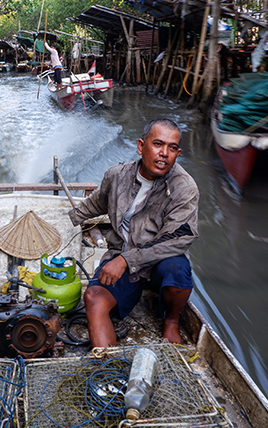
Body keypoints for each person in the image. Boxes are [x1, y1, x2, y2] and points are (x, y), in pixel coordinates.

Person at [68, 118, 199, 346]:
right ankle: (107, 367)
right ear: (141, 146)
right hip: (121, 256)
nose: (164, 153)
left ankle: (171, 320)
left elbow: (177, 239)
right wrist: (70, 219)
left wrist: (126, 261)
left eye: (172, 148)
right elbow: (98, 202)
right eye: (157, 144)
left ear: (178, 153)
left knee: (178, 270)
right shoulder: (117, 175)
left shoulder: (184, 188)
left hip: (159, 263)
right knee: (93, 298)